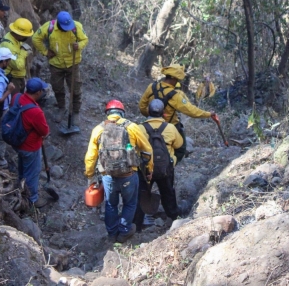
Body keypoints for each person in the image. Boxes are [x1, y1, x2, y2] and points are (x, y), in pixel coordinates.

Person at [84, 100, 153, 243]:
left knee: (110, 204)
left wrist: (90, 176)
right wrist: (148, 169)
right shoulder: (132, 127)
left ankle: (112, 234)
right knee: (130, 203)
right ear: (122, 113)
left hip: (108, 176)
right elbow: (147, 150)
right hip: (129, 175)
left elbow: (90, 157)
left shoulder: (98, 129)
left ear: (107, 114)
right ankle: (125, 231)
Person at [138, 64, 215, 162]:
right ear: (174, 78)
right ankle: (172, 162)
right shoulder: (176, 95)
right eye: (178, 80)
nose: (178, 82)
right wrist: (208, 114)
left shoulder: (151, 87)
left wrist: (151, 116)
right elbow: (192, 111)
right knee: (181, 148)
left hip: (149, 125)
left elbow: (142, 106)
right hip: (170, 126)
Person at [133, 99, 183, 230]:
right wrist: (174, 161)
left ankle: (137, 224)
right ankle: (174, 220)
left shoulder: (139, 128)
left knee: (141, 194)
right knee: (168, 193)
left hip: (144, 169)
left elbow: (132, 147)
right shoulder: (171, 128)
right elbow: (179, 145)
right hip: (165, 168)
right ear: (163, 113)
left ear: (148, 111)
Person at [32, 11, 88, 125]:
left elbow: (85, 39)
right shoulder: (49, 28)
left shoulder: (76, 27)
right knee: (57, 87)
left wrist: (79, 45)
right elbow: (35, 39)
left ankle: (75, 112)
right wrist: (45, 52)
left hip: (73, 63)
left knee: (75, 88)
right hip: (56, 64)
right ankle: (61, 108)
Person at [11, 78, 51, 209]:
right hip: (30, 147)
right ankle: (31, 199)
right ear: (38, 92)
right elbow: (44, 131)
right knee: (32, 173)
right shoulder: (35, 111)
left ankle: (20, 189)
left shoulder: (17, 98)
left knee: (22, 167)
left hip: (17, 142)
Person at [0, 17, 34, 94]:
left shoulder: (15, 39)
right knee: (14, 101)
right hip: (12, 78)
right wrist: (24, 52)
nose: (26, 37)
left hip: (18, 77)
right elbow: (18, 65)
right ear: (19, 34)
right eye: (25, 35)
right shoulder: (8, 45)